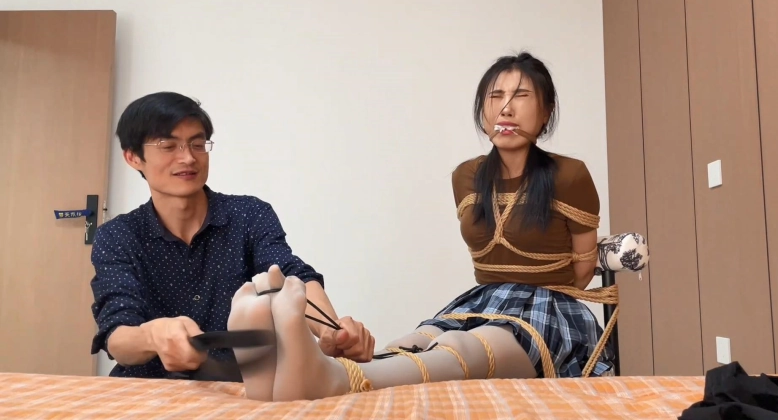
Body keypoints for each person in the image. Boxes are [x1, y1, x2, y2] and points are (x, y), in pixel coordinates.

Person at [226, 51, 616, 402]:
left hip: (549, 310)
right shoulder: (467, 176)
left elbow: (583, 272)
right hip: (482, 301)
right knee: (420, 338)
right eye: (495, 96)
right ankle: (294, 375)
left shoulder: (569, 175)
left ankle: (332, 379)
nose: (506, 108)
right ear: (483, 111)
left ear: (546, 111)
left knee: (465, 347)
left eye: (522, 96)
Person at [89, 92, 375, 379]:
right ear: (133, 157)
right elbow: (117, 335)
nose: (188, 158)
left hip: (243, 384)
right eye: (168, 146)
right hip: (149, 386)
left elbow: (289, 277)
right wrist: (153, 336)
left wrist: (331, 330)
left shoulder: (248, 215)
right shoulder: (117, 236)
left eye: (198, 144)